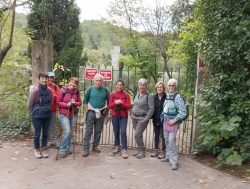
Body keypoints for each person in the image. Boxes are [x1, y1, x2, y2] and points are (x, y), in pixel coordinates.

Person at [161, 78, 187, 170]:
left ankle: (174, 161)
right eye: (169, 85)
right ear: (167, 86)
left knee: (171, 140)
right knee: (167, 139)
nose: (171, 87)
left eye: (173, 85)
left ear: (176, 86)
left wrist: (175, 120)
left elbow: (183, 112)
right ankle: (168, 156)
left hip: (173, 121)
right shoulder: (168, 95)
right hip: (166, 119)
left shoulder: (177, 97)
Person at [82, 74, 110, 157]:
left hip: (101, 112)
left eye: (100, 80)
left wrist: (106, 112)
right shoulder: (90, 89)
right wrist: (87, 111)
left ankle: (95, 146)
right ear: (94, 81)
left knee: (98, 130)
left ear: (102, 81)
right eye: (97, 80)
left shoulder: (106, 90)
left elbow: (109, 102)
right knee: (88, 131)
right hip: (91, 112)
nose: (98, 82)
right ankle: (86, 148)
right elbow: (85, 100)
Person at [27, 73, 53, 159]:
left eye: (46, 78)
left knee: (45, 133)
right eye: (42, 78)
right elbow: (29, 104)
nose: (44, 80)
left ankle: (43, 148)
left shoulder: (49, 91)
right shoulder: (35, 91)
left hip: (47, 116)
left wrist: (47, 109)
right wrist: (34, 112)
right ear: (39, 79)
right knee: (37, 134)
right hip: (37, 116)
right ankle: (37, 149)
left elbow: (51, 102)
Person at [57, 77, 82, 158]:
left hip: (73, 114)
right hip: (64, 114)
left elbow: (80, 102)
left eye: (74, 83)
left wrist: (75, 103)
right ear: (69, 82)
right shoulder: (63, 90)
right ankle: (62, 149)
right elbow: (58, 102)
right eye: (71, 82)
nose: (72, 84)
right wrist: (67, 104)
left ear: (76, 85)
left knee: (71, 132)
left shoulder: (77, 92)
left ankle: (67, 147)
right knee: (67, 131)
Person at [131, 78, 154, 159]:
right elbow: (135, 104)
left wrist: (147, 118)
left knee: (136, 135)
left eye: (143, 85)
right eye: (140, 85)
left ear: (146, 86)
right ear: (138, 86)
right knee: (139, 135)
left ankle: (142, 151)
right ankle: (140, 150)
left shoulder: (149, 96)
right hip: (134, 117)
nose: (142, 87)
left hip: (142, 118)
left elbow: (152, 108)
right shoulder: (137, 93)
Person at [108, 79, 131, 159]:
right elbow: (109, 106)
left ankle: (124, 148)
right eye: (118, 85)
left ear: (123, 86)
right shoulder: (112, 95)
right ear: (116, 85)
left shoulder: (126, 95)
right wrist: (115, 103)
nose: (119, 86)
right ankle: (116, 146)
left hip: (123, 115)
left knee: (123, 131)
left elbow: (128, 106)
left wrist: (121, 103)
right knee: (116, 131)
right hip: (114, 115)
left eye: (121, 85)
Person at [150, 81, 166, 159]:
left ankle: (162, 151)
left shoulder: (166, 97)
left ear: (163, 88)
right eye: (158, 87)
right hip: (155, 119)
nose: (159, 88)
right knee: (156, 135)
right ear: (156, 88)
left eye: (161, 87)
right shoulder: (153, 97)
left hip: (164, 120)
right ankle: (155, 150)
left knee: (163, 135)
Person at [47, 71, 60, 149]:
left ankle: (53, 142)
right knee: (43, 127)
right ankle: (43, 143)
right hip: (44, 110)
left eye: (52, 78)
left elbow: (59, 96)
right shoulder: (43, 86)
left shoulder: (55, 87)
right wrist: (54, 95)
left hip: (53, 110)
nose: (51, 79)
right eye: (49, 78)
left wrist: (52, 95)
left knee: (53, 127)